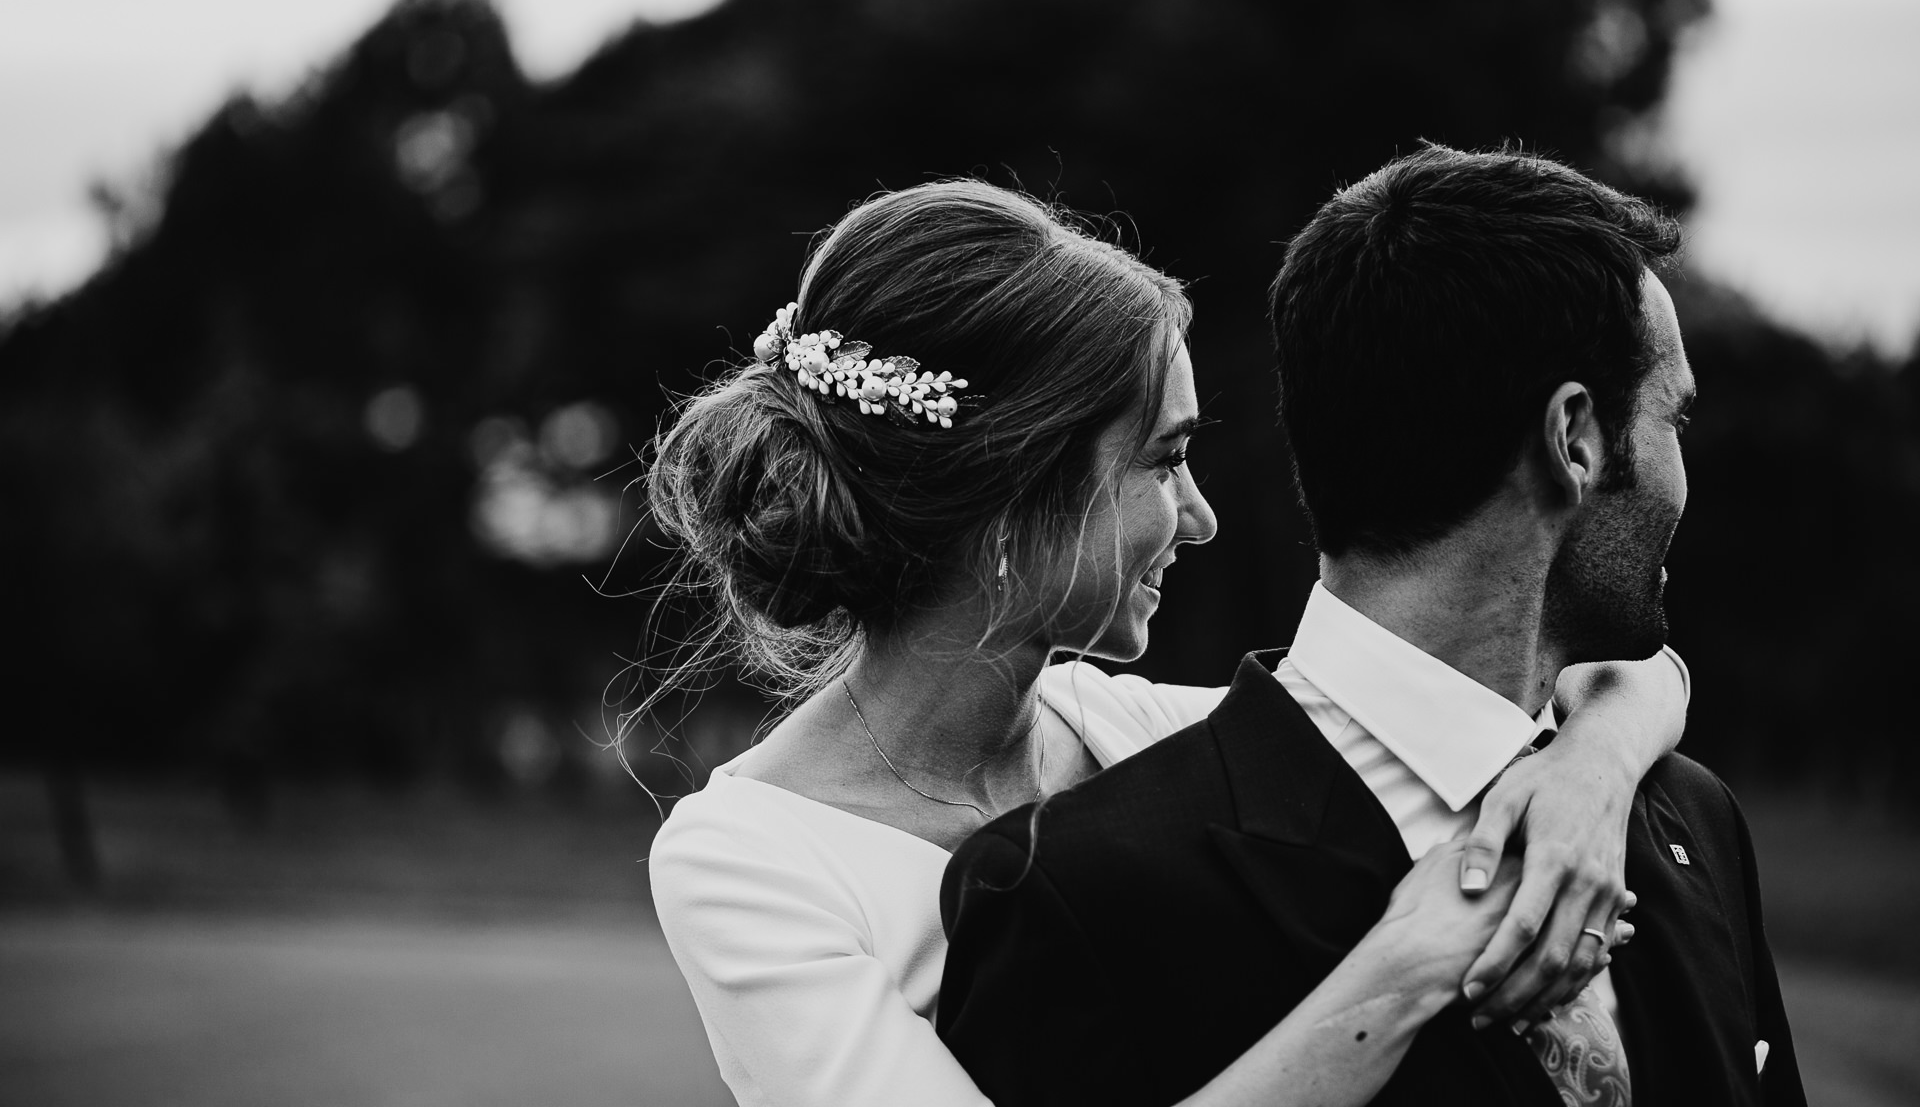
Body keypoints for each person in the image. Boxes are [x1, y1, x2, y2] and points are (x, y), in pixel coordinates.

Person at [644, 179, 1691, 1107]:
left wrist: (1587, 783)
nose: (1199, 516)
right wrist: (1411, 962)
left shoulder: (1133, 729)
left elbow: (1585, 676)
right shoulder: (746, 862)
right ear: (1019, 491)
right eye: (1163, 460)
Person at [937, 149, 1805, 1107]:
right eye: (1672, 419)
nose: (1686, 480)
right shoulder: (1078, 899)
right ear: (1576, 439)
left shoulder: (1692, 818)